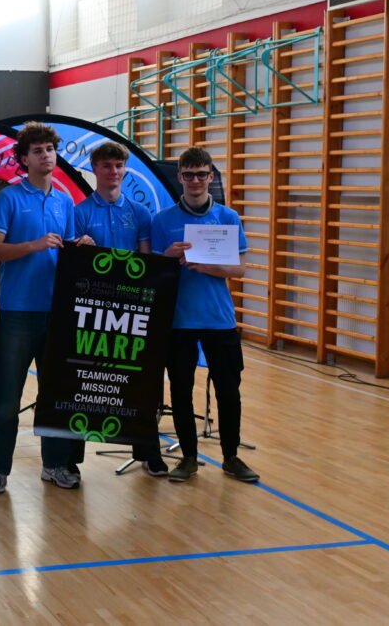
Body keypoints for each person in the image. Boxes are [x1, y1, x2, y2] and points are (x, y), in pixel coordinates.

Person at [150, 147, 260, 483]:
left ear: (211, 177)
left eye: (202, 174)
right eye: (189, 175)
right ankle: (188, 458)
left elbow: (239, 269)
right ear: (180, 177)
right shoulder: (162, 220)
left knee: (229, 390)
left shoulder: (228, 217)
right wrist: (168, 256)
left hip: (218, 319)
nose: (195, 180)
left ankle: (231, 456)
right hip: (178, 321)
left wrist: (208, 266)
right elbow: (152, 271)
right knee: (181, 391)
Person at [0, 122, 79, 494]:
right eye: (37, 151)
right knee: (7, 398)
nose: (46, 156)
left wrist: (80, 247)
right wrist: (33, 245)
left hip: (56, 313)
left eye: (50, 150)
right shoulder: (8, 198)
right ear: (24, 159)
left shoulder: (65, 201)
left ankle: (54, 465)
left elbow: (66, 251)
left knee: (53, 396)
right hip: (17, 313)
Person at [73, 141, 168, 476]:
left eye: (118, 166)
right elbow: (73, 265)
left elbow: (146, 260)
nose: (113, 172)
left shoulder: (140, 213)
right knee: (82, 383)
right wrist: (83, 250)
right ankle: (70, 460)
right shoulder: (80, 212)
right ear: (95, 169)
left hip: (131, 308)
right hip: (93, 309)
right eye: (107, 166)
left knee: (142, 383)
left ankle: (148, 452)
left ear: (125, 170)